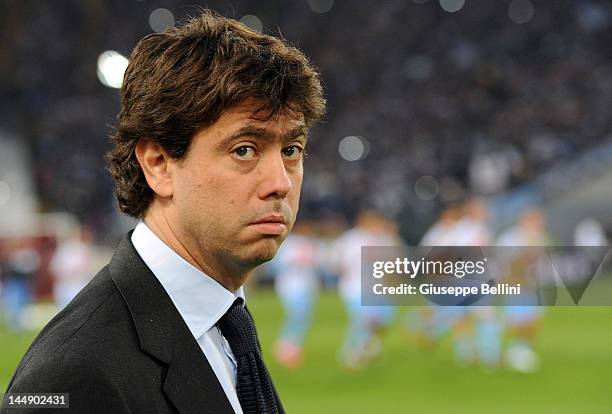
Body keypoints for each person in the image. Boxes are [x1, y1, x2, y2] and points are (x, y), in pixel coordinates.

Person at [3, 10, 324, 414]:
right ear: (158, 164)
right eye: (244, 149)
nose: (281, 182)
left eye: (291, 150)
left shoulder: (225, 323)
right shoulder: (72, 375)